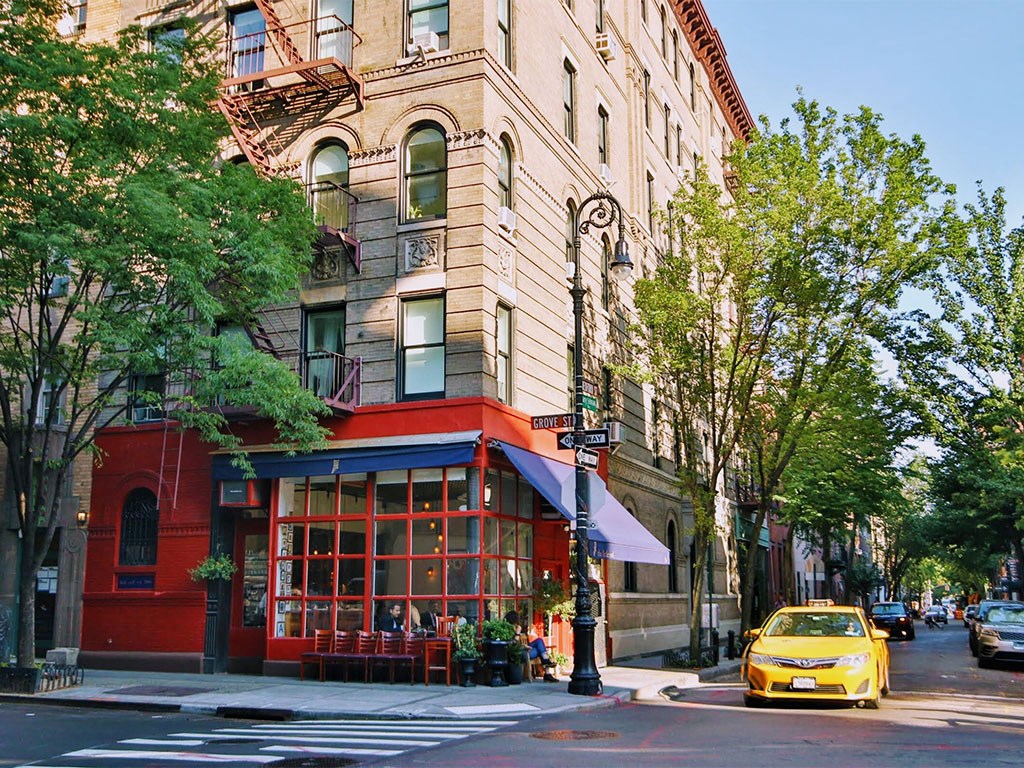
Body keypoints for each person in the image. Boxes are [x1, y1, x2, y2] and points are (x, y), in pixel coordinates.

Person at [505, 611, 557, 682]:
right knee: (540, 651)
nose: (518, 622)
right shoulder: (507, 629)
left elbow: (517, 644)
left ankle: (546, 663)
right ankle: (547, 671)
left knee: (539, 640)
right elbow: (513, 645)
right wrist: (518, 634)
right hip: (518, 653)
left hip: (522, 649)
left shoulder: (514, 628)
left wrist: (524, 646)